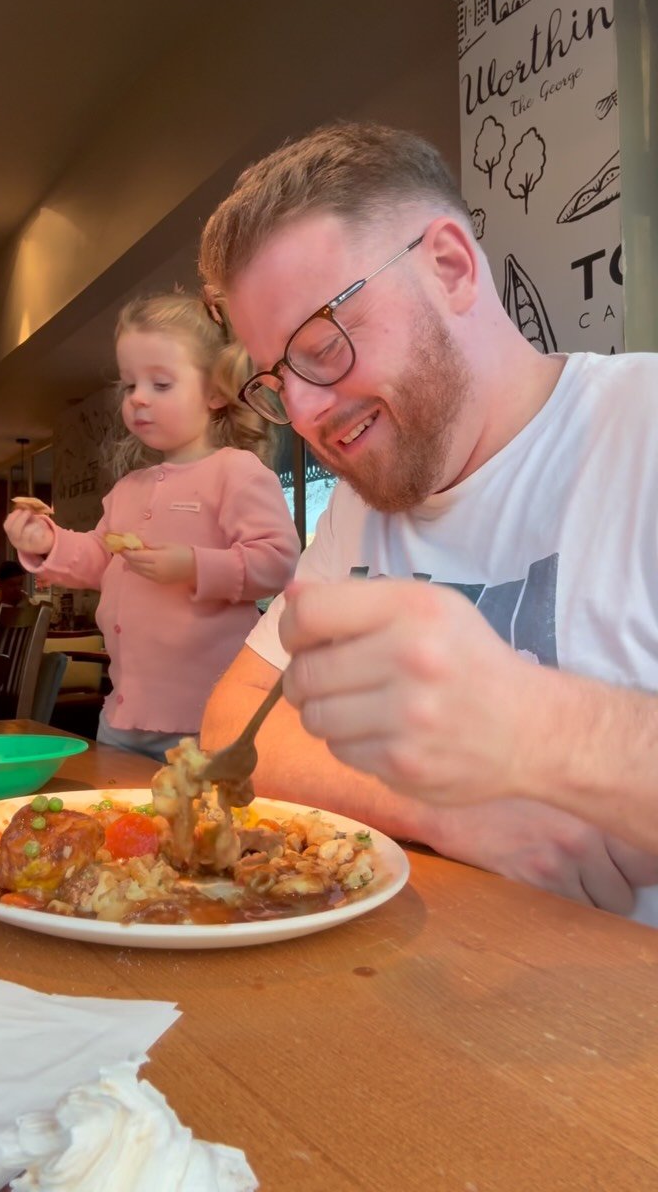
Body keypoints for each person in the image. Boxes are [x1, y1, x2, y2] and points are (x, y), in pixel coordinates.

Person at [197, 120, 658, 922]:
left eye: (322, 344)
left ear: (449, 267)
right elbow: (231, 720)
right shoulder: (363, 504)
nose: (301, 412)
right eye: (276, 379)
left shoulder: (642, 427)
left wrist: (537, 734)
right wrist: (447, 806)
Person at [4, 293, 300, 763]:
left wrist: (193, 565)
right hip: (122, 716)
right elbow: (99, 558)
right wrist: (47, 542)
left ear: (215, 391)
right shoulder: (128, 488)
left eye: (160, 383)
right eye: (130, 385)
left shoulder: (236, 472)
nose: (138, 397)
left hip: (209, 720)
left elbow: (278, 562)